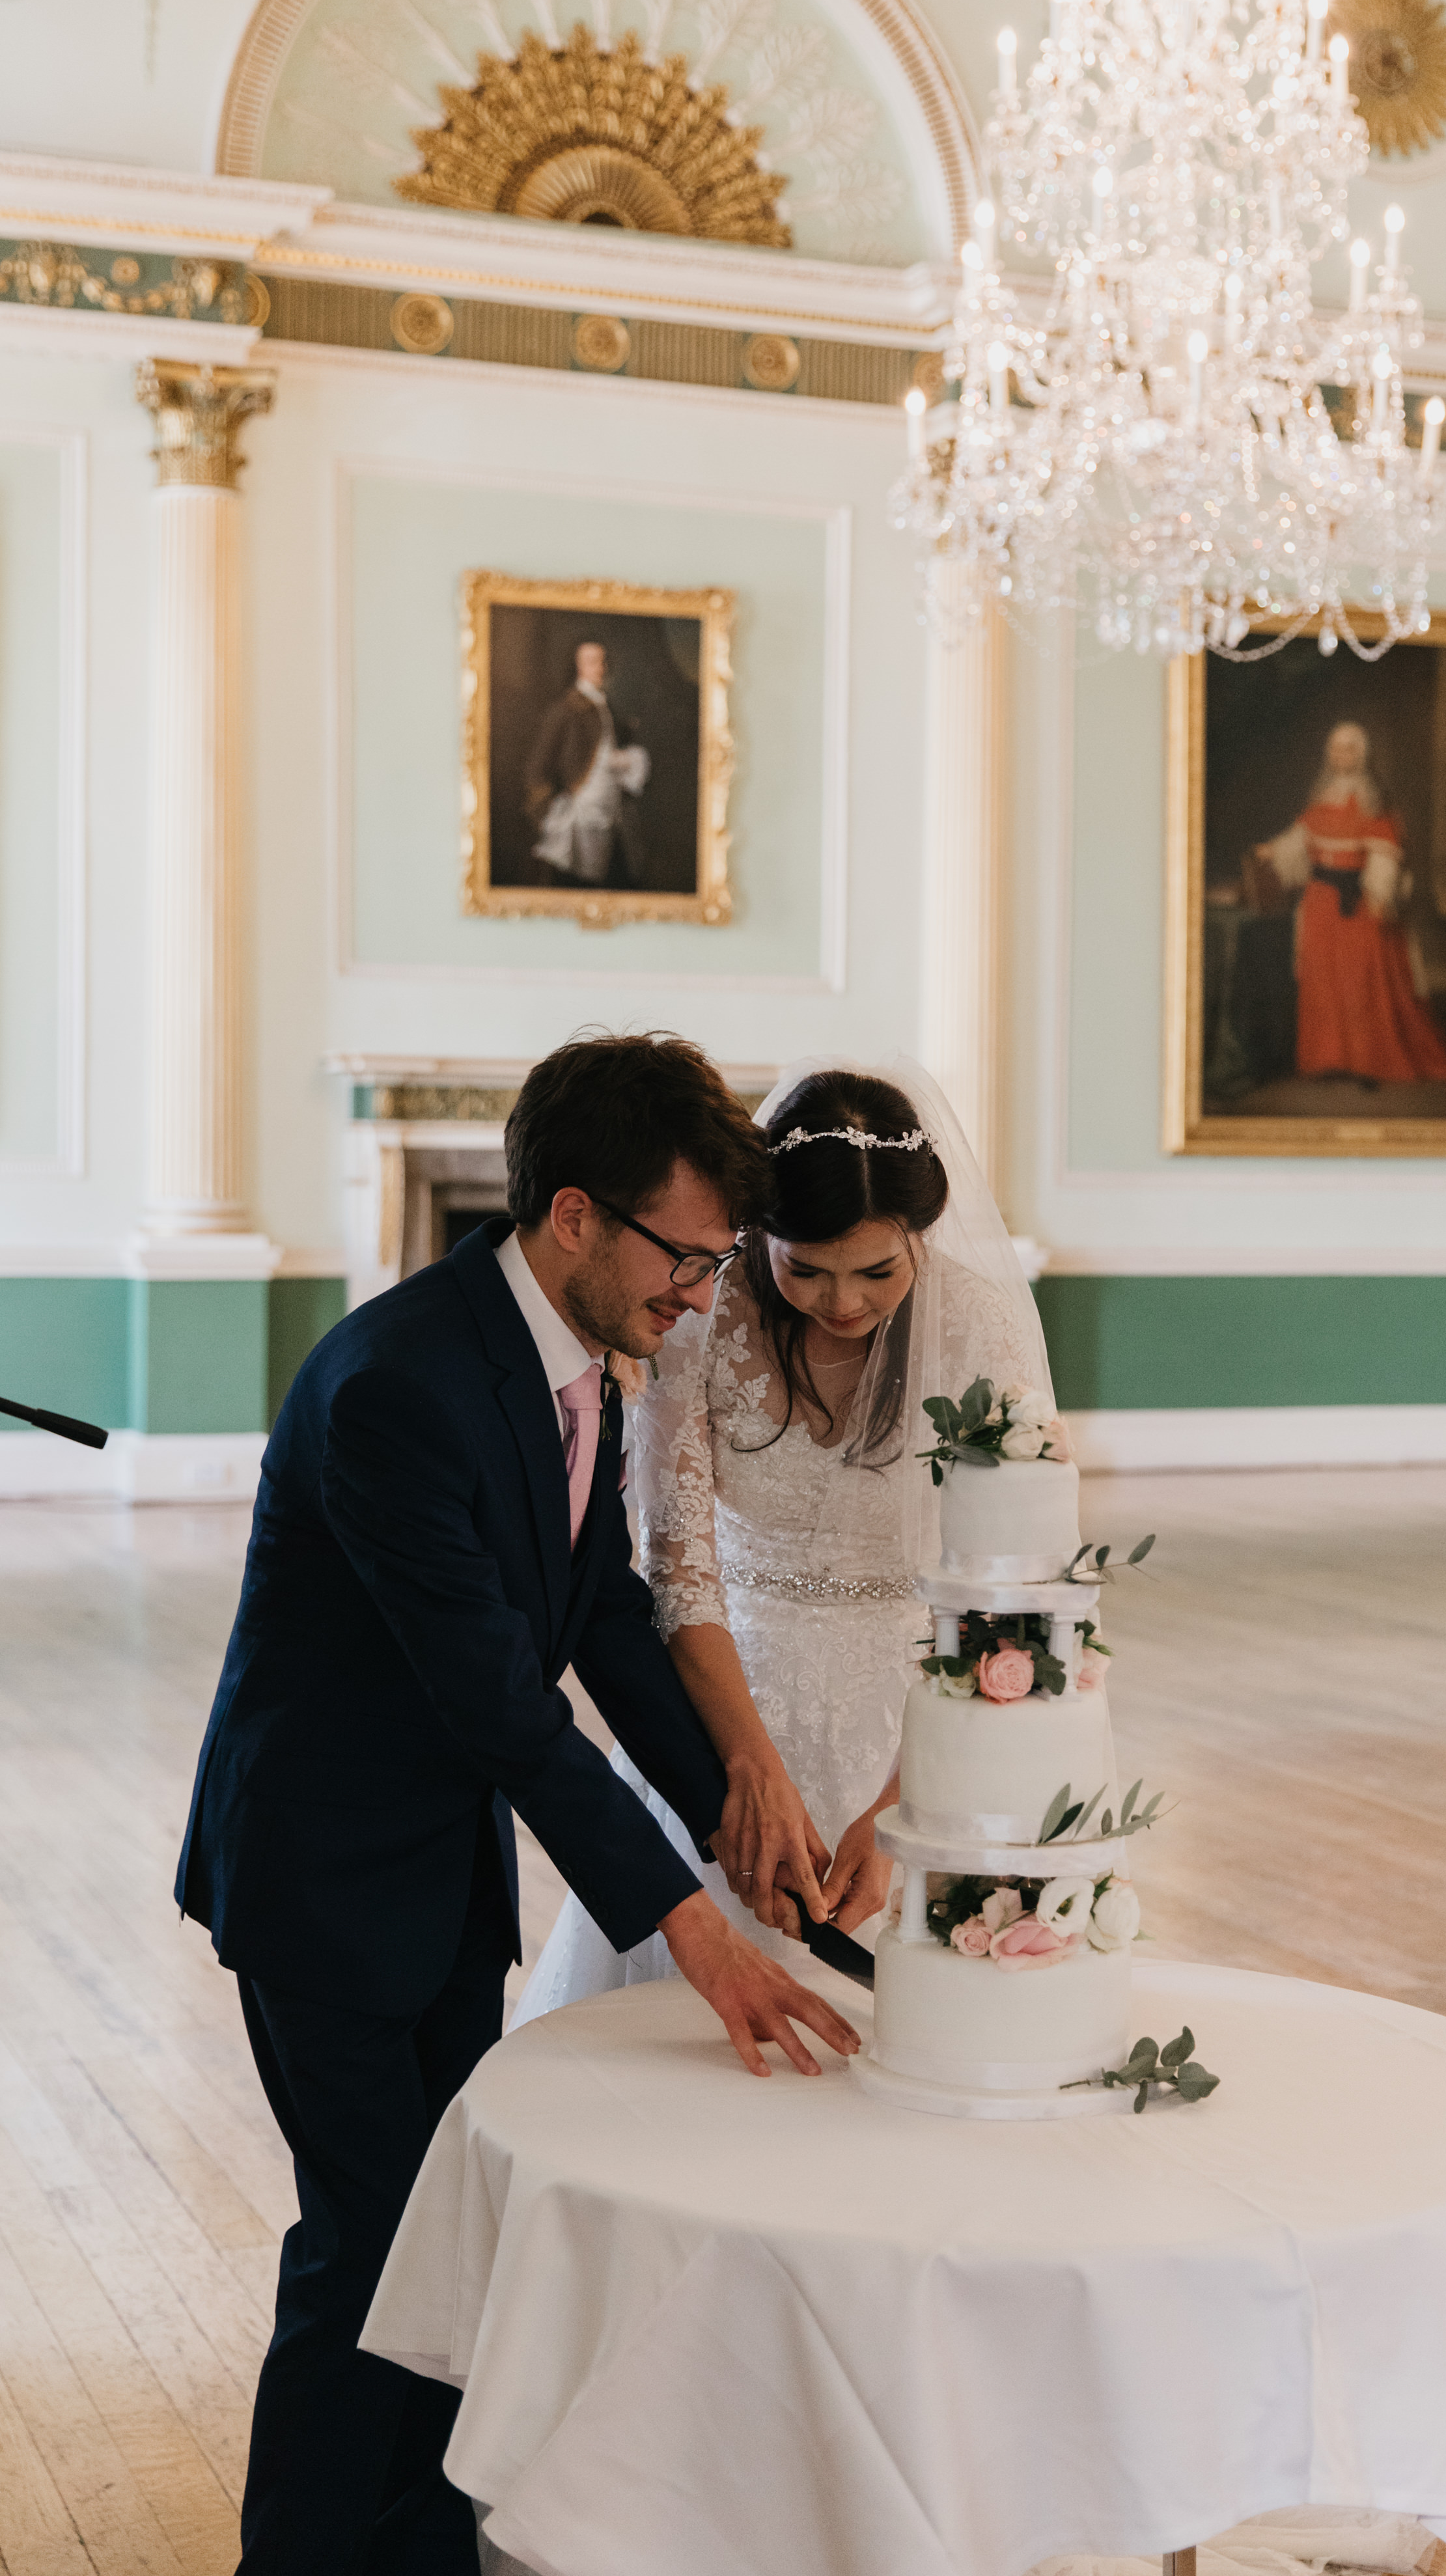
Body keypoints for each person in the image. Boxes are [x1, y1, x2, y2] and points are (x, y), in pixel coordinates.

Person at [174, 1031, 857, 2575]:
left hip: (434, 1876)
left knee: (444, 2248)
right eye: (686, 1257)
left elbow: (599, 1609)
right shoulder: (396, 1386)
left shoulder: (575, 1357)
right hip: (321, 1877)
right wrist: (692, 1922)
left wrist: (741, 1819)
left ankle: (416, 2551)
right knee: (369, 2255)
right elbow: (501, 1701)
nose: (701, 1292)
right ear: (571, 1214)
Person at [512, 1058, 1055, 2012]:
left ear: (920, 1240)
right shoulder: (694, 1316)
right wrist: (745, 1768)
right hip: (724, 1708)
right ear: (755, 1233)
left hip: (914, 1719)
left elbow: (1007, 1589)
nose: (843, 1304)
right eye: (805, 1270)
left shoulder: (976, 1328)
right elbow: (676, 1573)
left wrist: (906, 1805)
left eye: (877, 1272)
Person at [1255, 719, 1446, 1084]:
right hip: (1321, 902)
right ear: (1330, 755)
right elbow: (1300, 838)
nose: (1343, 756)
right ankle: (1330, 1059)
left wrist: (1379, 894)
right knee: (1324, 981)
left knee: (1362, 981)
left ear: (1363, 755)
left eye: (1351, 749)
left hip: (1361, 904)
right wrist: (1272, 851)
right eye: (1337, 750)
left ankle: (1370, 1061)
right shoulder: (1321, 799)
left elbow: (1386, 855)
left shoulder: (1376, 802)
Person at [526, 637, 649, 884]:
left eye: (603, 662)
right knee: (577, 880)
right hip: (580, 812)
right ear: (578, 667)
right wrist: (544, 813)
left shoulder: (607, 708)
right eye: (592, 662)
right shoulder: (565, 710)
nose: (601, 668)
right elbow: (538, 768)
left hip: (611, 809)